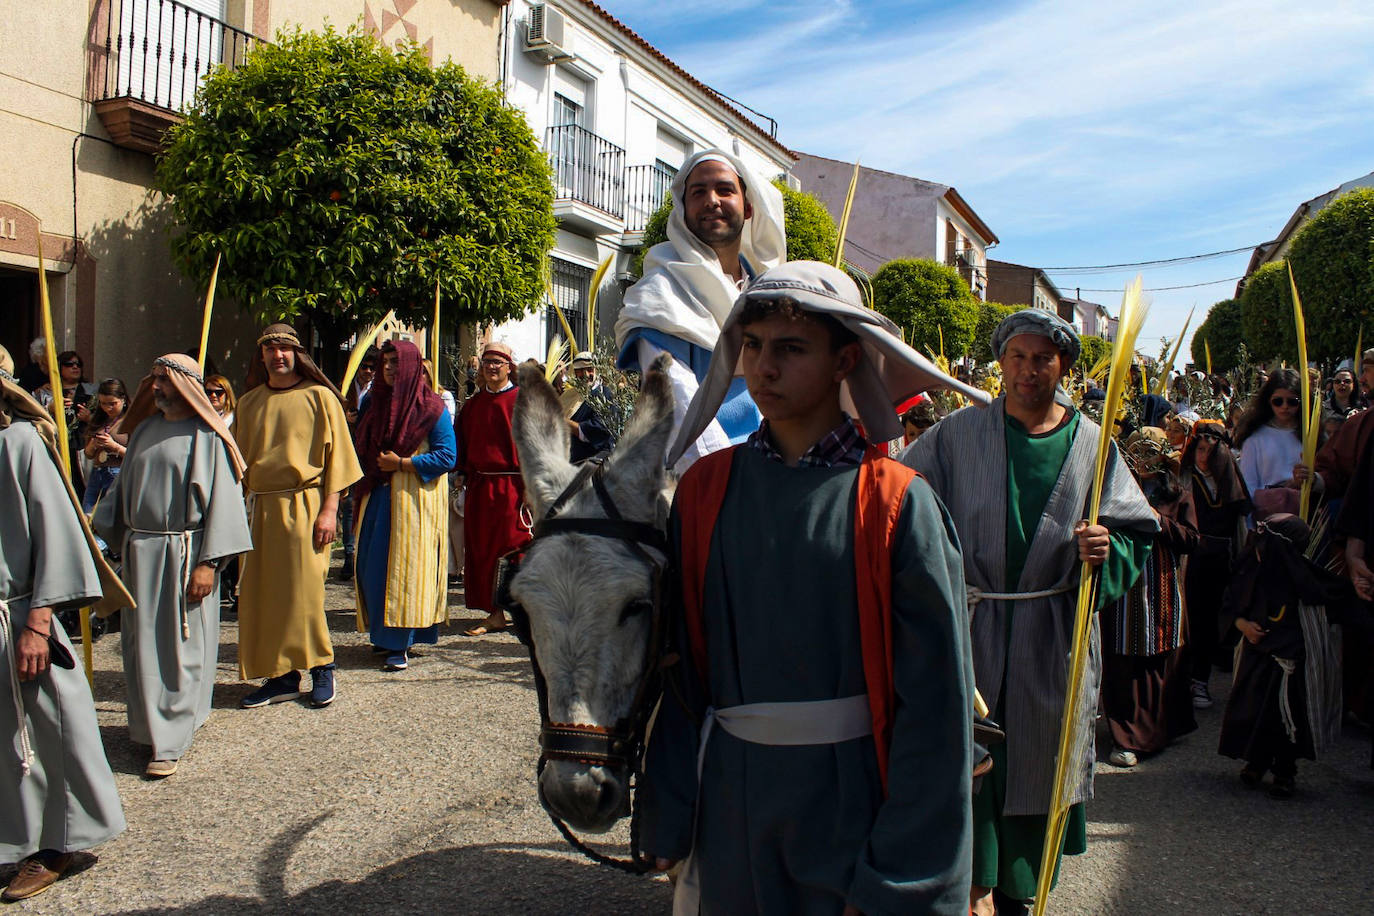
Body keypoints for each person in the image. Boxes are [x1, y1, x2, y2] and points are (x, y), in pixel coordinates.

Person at [644, 261, 986, 914]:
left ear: (844, 360)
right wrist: (669, 809)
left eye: (791, 348)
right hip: (729, 806)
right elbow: (683, 673)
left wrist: (901, 877)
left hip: (850, 809)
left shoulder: (895, 505)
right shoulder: (703, 491)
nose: (764, 368)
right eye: (753, 346)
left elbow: (935, 713)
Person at [903, 308, 1157, 915]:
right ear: (1001, 362)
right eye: (1017, 356)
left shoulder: (1096, 445)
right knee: (970, 764)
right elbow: (904, 501)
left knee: (1039, 763)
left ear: (1062, 365)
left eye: (1042, 358)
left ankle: (1024, 893)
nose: (1027, 370)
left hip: (1054, 636)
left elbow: (1135, 531)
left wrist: (1108, 547)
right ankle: (967, 890)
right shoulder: (956, 435)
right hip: (972, 630)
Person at [0, 351, 131, 901]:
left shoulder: (22, 444)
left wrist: (38, 621)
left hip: (21, 612)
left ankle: (59, 844)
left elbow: (57, 531)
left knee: (52, 731)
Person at [94, 355, 252, 777]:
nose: (156, 386)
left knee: (181, 647)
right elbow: (121, 495)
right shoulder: (144, 431)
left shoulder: (209, 438)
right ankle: (149, 727)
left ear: (185, 385)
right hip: (139, 552)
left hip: (185, 554)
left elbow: (225, 506)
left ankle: (170, 740)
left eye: (164, 380)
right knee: (141, 645)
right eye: (154, 379)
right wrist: (96, 530)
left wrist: (209, 563)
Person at [615, 149, 786, 473]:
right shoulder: (661, 293)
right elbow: (680, 411)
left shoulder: (770, 292)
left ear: (748, 207)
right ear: (683, 209)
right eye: (698, 192)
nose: (711, 200)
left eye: (724, 190)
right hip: (705, 481)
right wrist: (736, 483)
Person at [232, 324, 362, 708]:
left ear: (297, 354)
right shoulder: (249, 402)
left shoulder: (320, 397)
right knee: (264, 595)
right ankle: (281, 676)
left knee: (304, 592)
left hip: (306, 504)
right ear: (262, 357)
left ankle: (322, 665)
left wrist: (329, 509)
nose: (278, 355)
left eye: (285, 348)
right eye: (270, 349)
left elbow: (339, 458)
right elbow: (236, 462)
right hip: (260, 508)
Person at [1219, 514, 1354, 798]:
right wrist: (1242, 625)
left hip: (1289, 663)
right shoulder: (1251, 569)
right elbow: (1231, 601)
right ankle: (1255, 761)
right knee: (1252, 711)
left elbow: (1334, 597)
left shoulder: (1302, 579)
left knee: (1285, 718)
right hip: (1255, 658)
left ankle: (1284, 770)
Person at [352, 342, 455, 671]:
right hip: (377, 497)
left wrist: (402, 463)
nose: (391, 369)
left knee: (405, 573)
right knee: (373, 569)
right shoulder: (374, 403)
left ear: (412, 365)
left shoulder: (431, 408)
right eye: (386, 363)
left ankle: (401, 643)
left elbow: (447, 456)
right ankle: (383, 637)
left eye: (397, 362)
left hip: (412, 501)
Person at [1100, 428, 1199, 767]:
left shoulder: (1178, 492)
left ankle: (1157, 730)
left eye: (1150, 449)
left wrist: (1157, 519)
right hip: (1123, 587)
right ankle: (1125, 736)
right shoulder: (1112, 489)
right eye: (1136, 449)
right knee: (1121, 661)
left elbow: (1192, 539)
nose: (1143, 457)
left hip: (1163, 586)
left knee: (1158, 661)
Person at [456, 342, 528, 637]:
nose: (491, 366)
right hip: (480, 486)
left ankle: (524, 610)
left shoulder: (523, 401)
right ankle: (494, 613)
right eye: (487, 361)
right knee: (482, 550)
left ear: (510, 367)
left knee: (517, 546)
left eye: (498, 361)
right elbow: (461, 442)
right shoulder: (472, 405)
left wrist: (532, 488)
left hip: (514, 485)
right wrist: (460, 477)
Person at [1178, 421, 1252, 708]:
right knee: (1187, 621)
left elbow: (1243, 520)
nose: (1202, 456)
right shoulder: (1183, 478)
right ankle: (1182, 681)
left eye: (1209, 450)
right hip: (1189, 558)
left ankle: (1201, 681)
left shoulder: (1230, 482)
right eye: (1198, 449)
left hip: (1220, 560)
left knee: (1209, 622)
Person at [338, 350, 377, 583]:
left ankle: (364, 551)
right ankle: (349, 554)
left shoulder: (377, 391)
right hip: (347, 451)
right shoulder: (342, 390)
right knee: (349, 503)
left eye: (372, 367)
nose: (368, 371)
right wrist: (345, 419)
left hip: (368, 455)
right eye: (365, 367)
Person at [80, 378, 130, 515]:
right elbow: (88, 454)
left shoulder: (131, 421)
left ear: (123, 399)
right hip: (97, 472)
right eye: (103, 403)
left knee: (109, 518)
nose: (108, 408)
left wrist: (114, 446)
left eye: (113, 404)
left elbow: (136, 455)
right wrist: (93, 444)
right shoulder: (99, 420)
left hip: (117, 474)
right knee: (87, 516)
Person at [565, 351, 616, 463]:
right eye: (580, 370)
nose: (586, 374)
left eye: (589, 369)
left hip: (593, 466)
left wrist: (564, 422)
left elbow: (598, 429)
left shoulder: (604, 394)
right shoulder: (568, 396)